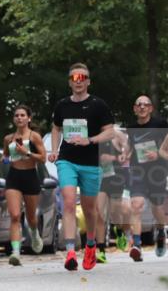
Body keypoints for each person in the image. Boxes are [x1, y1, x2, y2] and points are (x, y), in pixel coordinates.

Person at [47, 63, 116, 272]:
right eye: (74, 78)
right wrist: (55, 149)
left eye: (82, 77)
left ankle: (91, 244)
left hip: (91, 163)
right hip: (67, 160)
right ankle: (69, 252)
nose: (78, 81)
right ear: (69, 82)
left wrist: (91, 140)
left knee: (89, 209)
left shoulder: (98, 105)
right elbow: (56, 127)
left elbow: (110, 132)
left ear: (88, 81)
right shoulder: (62, 105)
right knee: (68, 201)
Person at [124, 95, 168, 261]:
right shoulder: (131, 127)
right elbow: (129, 146)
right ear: (135, 109)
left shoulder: (161, 125)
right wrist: (124, 155)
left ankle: (161, 231)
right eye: (139, 105)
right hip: (138, 171)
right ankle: (136, 245)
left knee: (157, 208)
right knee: (136, 205)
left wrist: (157, 154)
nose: (142, 107)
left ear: (150, 108)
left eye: (145, 105)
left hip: (157, 171)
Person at [1, 105, 46, 266]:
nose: (19, 118)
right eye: (16, 115)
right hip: (14, 177)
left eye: (22, 115)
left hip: (30, 176)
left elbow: (43, 158)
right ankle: (15, 252)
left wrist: (26, 153)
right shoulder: (8, 138)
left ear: (29, 118)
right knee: (14, 215)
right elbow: (5, 155)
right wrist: (5, 159)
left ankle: (34, 233)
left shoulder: (34, 137)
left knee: (31, 217)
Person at [95, 126, 130, 262]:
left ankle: (119, 231)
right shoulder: (92, 133)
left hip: (115, 177)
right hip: (100, 177)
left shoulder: (116, 133)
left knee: (115, 212)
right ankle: (101, 251)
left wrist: (121, 154)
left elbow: (126, 149)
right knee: (99, 213)